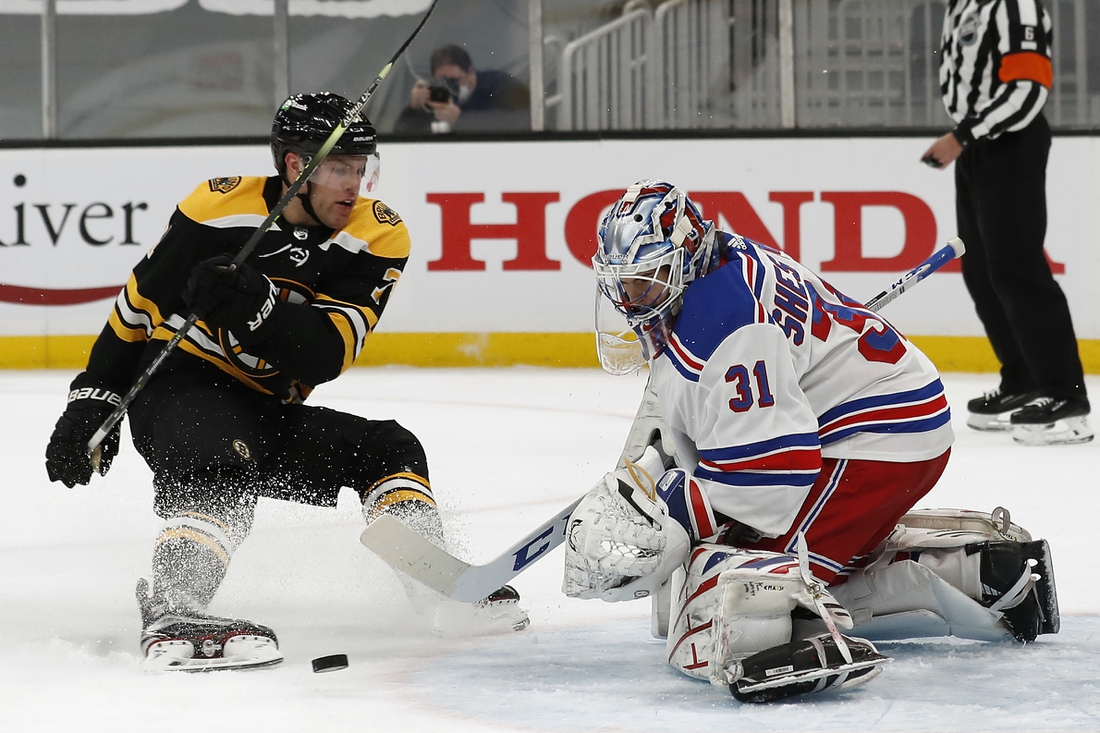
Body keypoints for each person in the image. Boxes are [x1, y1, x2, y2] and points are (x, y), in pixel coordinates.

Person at [43, 91, 527, 672]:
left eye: (362, 169)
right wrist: (91, 401)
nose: (355, 185)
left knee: (389, 448)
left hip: (265, 410)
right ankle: (175, 605)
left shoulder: (378, 236)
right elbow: (135, 313)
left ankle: (431, 583)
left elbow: (325, 355)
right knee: (220, 462)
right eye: (341, 168)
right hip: (178, 391)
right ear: (297, 166)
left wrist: (257, 305)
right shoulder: (216, 211)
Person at [562, 180, 1059, 703]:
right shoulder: (716, 263)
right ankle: (984, 572)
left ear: (684, 259)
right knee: (719, 575)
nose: (629, 300)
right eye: (621, 283)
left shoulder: (725, 324)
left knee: (729, 588)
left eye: (645, 283)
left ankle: (819, 627)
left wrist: (674, 507)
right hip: (867, 424)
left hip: (876, 439)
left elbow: (773, 472)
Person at [921, 0, 1091, 446]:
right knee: (980, 270)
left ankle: (1064, 394)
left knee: (1018, 267)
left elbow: (1028, 89)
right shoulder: (962, 6)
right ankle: (1023, 378)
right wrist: (966, 137)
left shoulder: (1016, 6)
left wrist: (962, 135)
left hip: (1011, 140)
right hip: (976, 143)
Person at [393, 43, 530, 134]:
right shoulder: (436, 94)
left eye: (454, 80)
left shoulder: (500, 85)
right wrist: (413, 108)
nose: (450, 87)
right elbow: (400, 134)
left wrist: (461, 119)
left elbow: (522, 121)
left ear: (470, 71)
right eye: (443, 81)